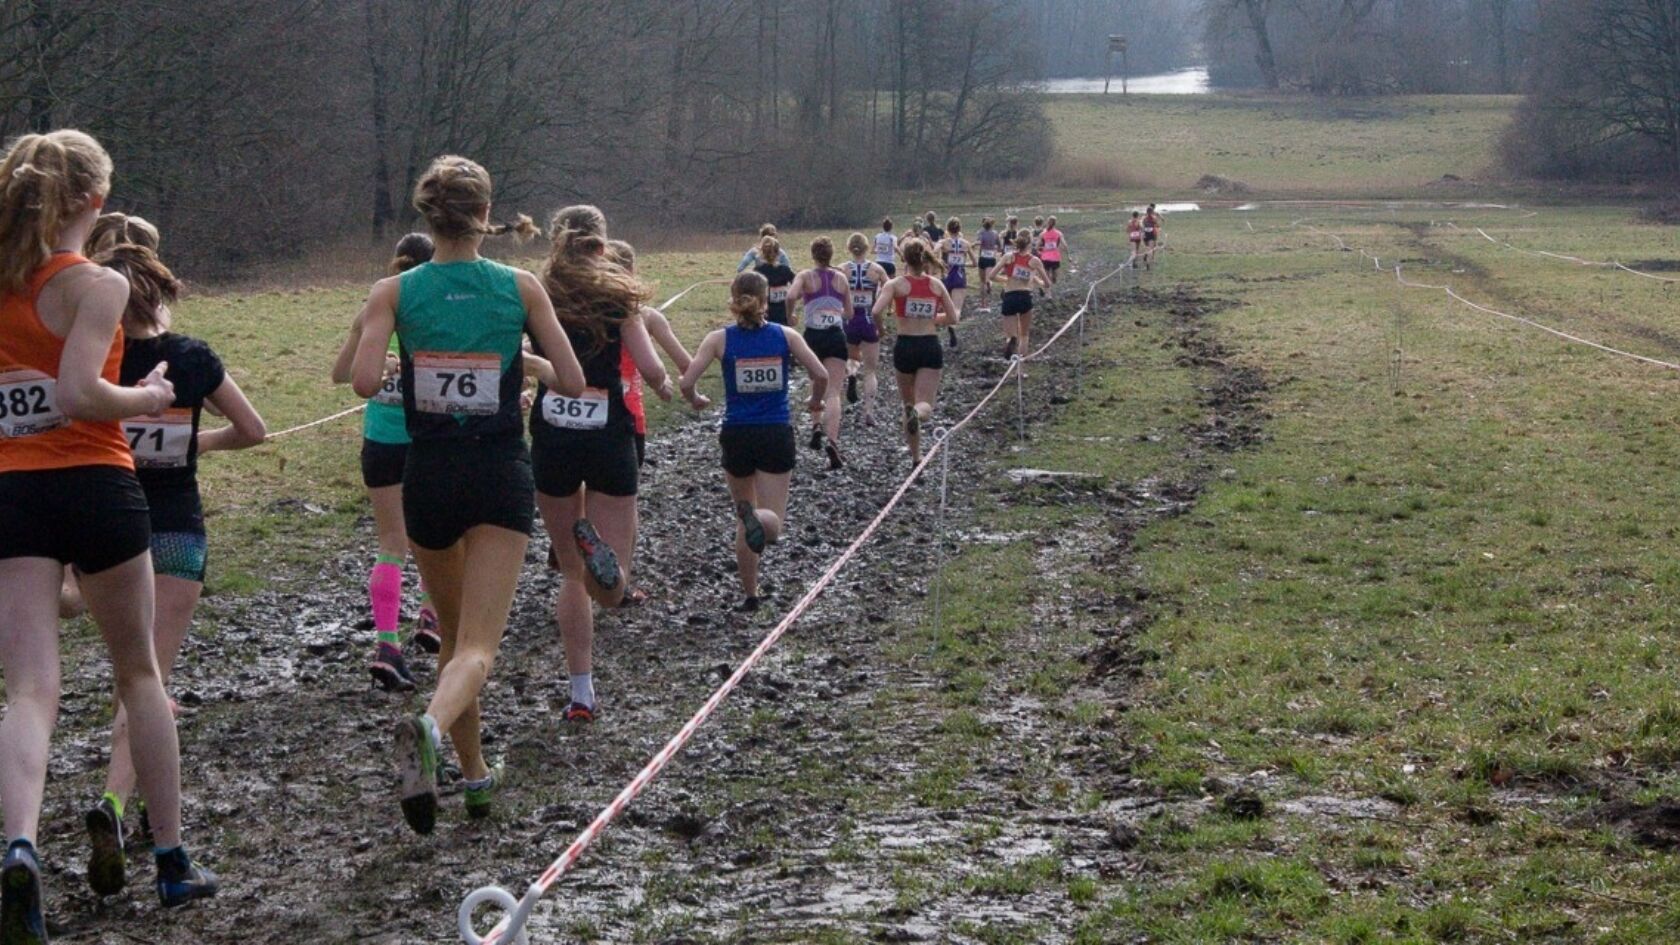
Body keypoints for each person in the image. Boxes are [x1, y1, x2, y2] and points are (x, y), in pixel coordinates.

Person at [0, 130, 218, 936]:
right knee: (140, 674)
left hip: (14, 491)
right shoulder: (96, 284)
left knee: (29, 688)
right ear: (94, 201)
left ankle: (19, 846)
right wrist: (150, 396)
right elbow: (80, 392)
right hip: (96, 484)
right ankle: (171, 859)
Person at [351, 155, 587, 834]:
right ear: (487, 214)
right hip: (497, 473)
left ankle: (476, 776)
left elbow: (364, 382)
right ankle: (428, 728)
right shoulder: (519, 286)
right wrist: (523, 362)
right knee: (477, 649)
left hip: (427, 475)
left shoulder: (393, 291)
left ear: (427, 216)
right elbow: (572, 380)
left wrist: (419, 358)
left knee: (453, 641)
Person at [86, 241, 266, 898]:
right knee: (150, 680)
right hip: (178, 535)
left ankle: (128, 799)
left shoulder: (97, 360)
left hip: (110, 526)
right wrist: (198, 442)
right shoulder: (191, 358)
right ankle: (115, 801)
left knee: (132, 675)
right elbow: (253, 428)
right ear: (161, 291)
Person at [529, 206, 671, 724]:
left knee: (569, 574)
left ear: (557, 241)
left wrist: (535, 370)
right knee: (611, 591)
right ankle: (603, 562)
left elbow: (517, 353)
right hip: (609, 431)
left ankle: (581, 692)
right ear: (603, 244)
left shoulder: (538, 291)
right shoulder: (619, 295)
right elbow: (650, 367)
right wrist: (665, 384)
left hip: (552, 431)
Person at [678, 272, 827, 611]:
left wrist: (696, 399)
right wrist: (815, 401)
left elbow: (686, 382)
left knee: (743, 517)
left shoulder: (718, 339)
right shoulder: (786, 336)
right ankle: (756, 520)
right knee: (771, 524)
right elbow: (820, 374)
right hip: (774, 432)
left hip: (736, 434)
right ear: (766, 299)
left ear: (733, 299)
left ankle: (750, 594)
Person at [331, 233, 441, 693]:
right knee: (436, 535)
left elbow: (340, 374)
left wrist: (379, 366)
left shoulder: (374, 308)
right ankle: (431, 615)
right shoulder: (432, 311)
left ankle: (387, 644)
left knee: (392, 543)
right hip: (426, 441)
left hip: (380, 443)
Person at [606, 239, 693, 471]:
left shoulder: (576, 314)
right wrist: (686, 392)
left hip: (574, 420)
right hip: (628, 416)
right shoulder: (648, 317)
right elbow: (686, 365)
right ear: (632, 272)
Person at [871, 239, 957, 465]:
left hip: (905, 345)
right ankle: (917, 414)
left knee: (907, 404)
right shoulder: (936, 285)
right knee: (924, 404)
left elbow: (876, 311)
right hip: (929, 345)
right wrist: (931, 318)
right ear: (925, 258)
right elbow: (953, 318)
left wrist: (882, 330)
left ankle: (916, 457)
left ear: (904, 259)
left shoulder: (895, 285)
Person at [785, 237, 848, 469]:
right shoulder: (841, 278)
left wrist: (790, 316)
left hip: (813, 336)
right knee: (833, 392)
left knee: (816, 381)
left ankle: (816, 425)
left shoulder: (805, 276)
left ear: (813, 254)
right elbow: (850, 312)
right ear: (831, 255)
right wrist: (835, 310)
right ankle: (832, 441)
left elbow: (790, 296)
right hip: (835, 336)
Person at [842, 233, 889, 425]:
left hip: (849, 320)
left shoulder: (842, 269)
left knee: (852, 357)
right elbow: (889, 288)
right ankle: (869, 412)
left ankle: (852, 374)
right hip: (869, 320)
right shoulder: (877, 269)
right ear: (867, 248)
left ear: (849, 248)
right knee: (870, 371)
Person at [991, 232, 1050, 361]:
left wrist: (1006, 280)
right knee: (1024, 334)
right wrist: (1038, 282)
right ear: (1030, 243)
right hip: (1025, 297)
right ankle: (1021, 364)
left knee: (1010, 335)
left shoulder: (1008, 257)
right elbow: (1047, 283)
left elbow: (992, 276)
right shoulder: (1034, 260)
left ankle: (1011, 341)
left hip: (1009, 296)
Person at [935, 218, 974, 350]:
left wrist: (940, 260)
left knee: (943, 307)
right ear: (959, 229)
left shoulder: (943, 242)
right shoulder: (966, 244)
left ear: (947, 229)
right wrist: (963, 264)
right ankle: (952, 326)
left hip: (946, 277)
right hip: (960, 277)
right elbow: (975, 263)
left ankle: (934, 324)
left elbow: (934, 252)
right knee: (957, 309)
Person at [754, 236, 797, 327]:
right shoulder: (785, 270)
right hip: (784, 313)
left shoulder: (758, 271)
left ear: (762, 252)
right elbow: (796, 286)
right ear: (778, 253)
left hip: (765, 314)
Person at [976, 217, 1001, 303]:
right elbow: (999, 246)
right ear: (992, 225)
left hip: (982, 257)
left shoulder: (981, 233)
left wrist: (974, 245)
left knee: (982, 281)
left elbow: (979, 242)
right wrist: (998, 249)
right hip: (991, 257)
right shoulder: (995, 234)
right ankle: (989, 283)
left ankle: (982, 300)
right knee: (988, 277)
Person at [1039, 215, 1068, 287]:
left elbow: (1037, 246)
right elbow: (1065, 245)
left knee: (1046, 274)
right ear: (1055, 223)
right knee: (1054, 275)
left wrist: (1041, 250)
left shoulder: (1043, 233)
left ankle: (1048, 287)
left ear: (1047, 222)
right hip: (1055, 257)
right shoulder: (1059, 233)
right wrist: (1065, 253)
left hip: (1045, 257)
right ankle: (1053, 283)